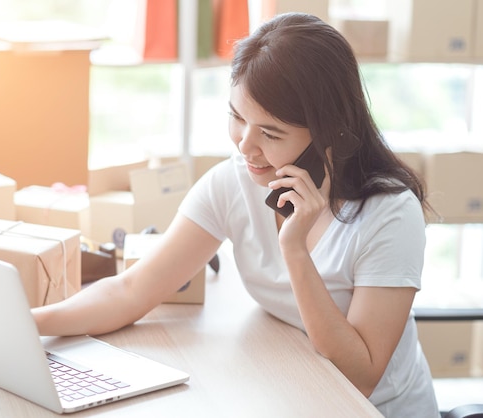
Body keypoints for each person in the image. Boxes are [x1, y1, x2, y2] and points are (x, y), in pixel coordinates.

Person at [32, 12, 440, 418]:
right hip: (296, 390)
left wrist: (294, 251)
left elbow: (362, 375)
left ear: (329, 130)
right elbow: (131, 291)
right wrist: (29, 323)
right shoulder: (237, 180)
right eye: (237, 117)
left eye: (270, 133)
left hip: (373, 409)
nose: (245, 146)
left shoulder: (389, 213)